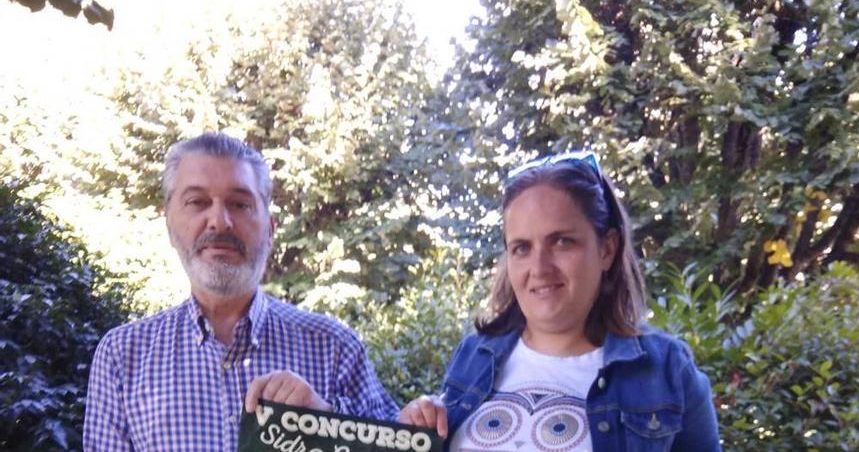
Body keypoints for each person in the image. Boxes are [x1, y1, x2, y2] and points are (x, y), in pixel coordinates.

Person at [84, 132, 398, 451]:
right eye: (197, 202)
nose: (219, 222)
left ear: (270, 228)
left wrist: (325, 422)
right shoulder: (122, 356)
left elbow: (400, 446)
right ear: (169, 223)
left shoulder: (335, 349)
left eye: (239, 204)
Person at [400, 151, 721, 451]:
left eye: (562, 242)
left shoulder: (667, 373)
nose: (539, 268)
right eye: (522, 248)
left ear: (607, 249)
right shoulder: (475, 354)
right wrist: (418, 427)